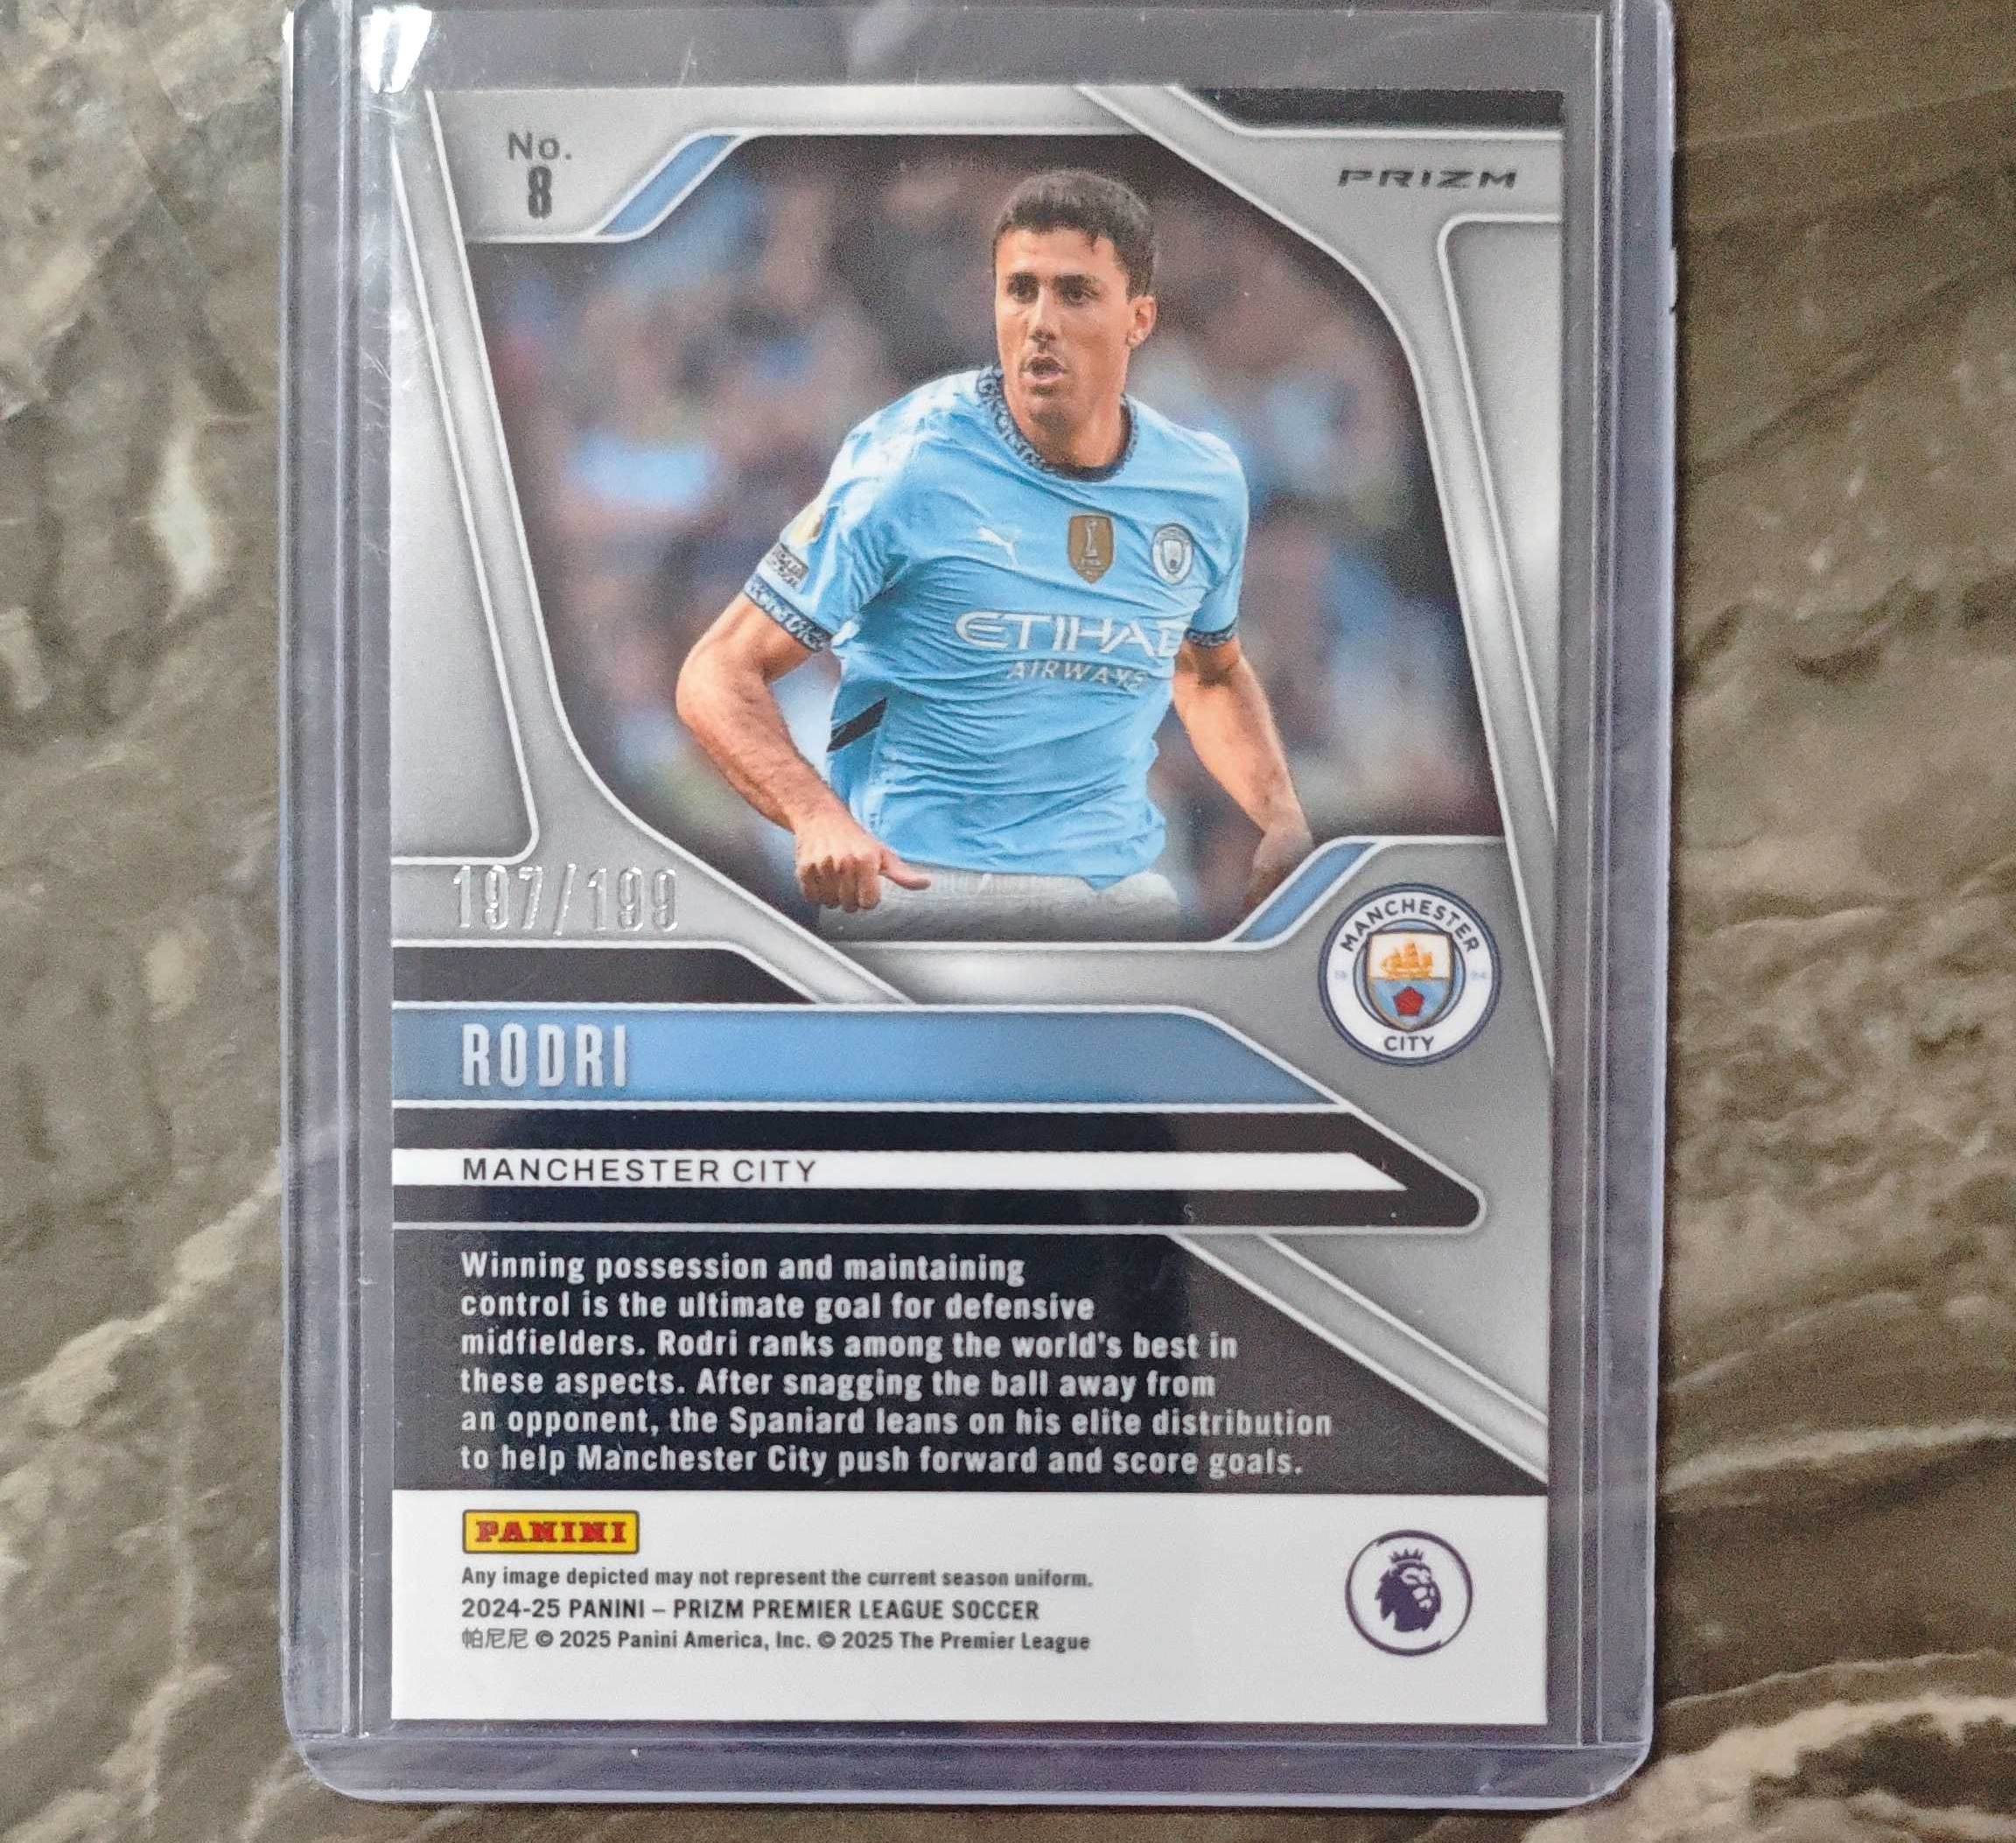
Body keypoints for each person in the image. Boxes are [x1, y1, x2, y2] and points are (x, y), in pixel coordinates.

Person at [676, 168, 1311, 940]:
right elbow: (717, 670)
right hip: (925, 892)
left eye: (1075, 293)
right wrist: (815, 816)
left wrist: (1280, 815)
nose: (1041, 321)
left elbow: (1208, 674)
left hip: (1116, 897)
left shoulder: (1201, 483)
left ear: (1138, 318)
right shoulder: (908, 464)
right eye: (1020, 291)